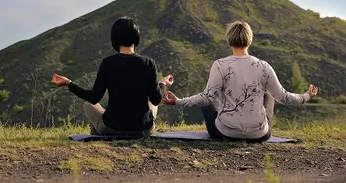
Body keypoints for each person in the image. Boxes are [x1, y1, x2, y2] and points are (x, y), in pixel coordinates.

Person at [162, 20, 318, 142]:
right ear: (249, 40)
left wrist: (178, 102)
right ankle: (255, 124)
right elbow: (284, 97)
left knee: (207, 99)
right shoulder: (263, 66)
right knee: (269, 95)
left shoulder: (220, 65)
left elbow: (206, 97)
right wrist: (306, 96)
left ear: (229, 40)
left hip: (225, 133)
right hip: (259, 135)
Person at [52, 16, 173, 137]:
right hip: (143, 131)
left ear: (114, 39)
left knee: (88, 105)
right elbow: (156, 99)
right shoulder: (148, 63)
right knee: (152, 105)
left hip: (113, 130)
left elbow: (94, 98)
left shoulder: (108, 63)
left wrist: (69, 83)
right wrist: (163, 84)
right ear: (136, 37)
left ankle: (98, 131)